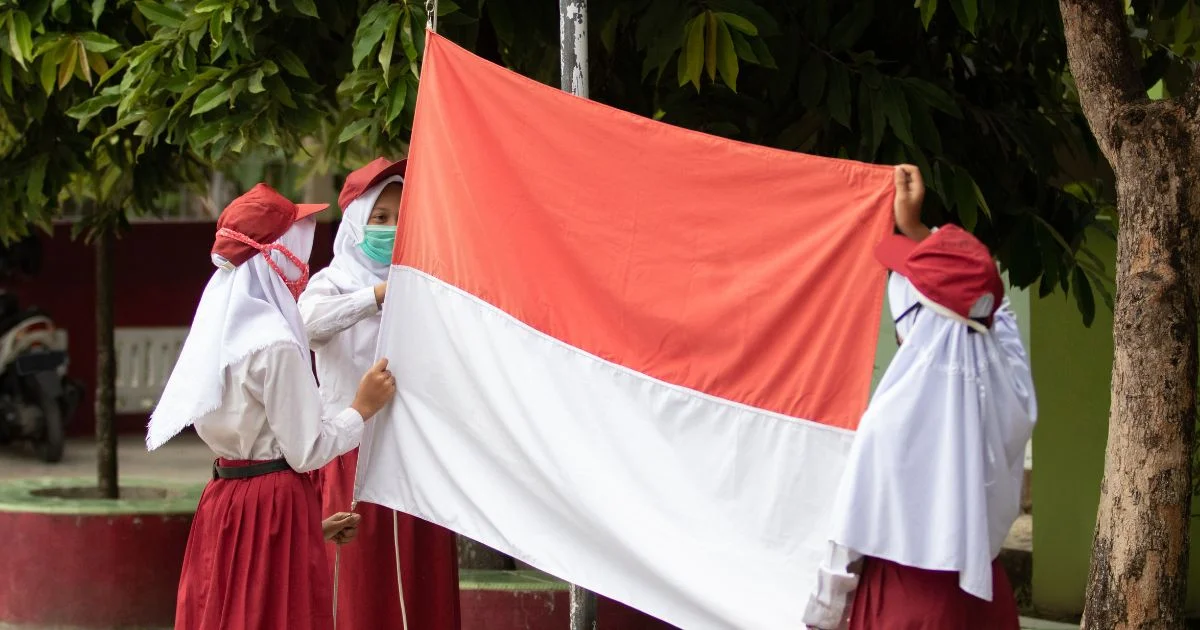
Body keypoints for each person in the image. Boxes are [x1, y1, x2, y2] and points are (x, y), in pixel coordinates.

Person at [146, 183, 397, 630]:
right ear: (277, 254)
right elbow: (306, 450)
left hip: (226, 500)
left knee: (227, 612)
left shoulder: (219, 335)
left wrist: (309, 531)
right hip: (274, 500)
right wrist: (362, 406)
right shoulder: (274, 343)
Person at [803, 165, 1037, 630]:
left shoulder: (891, 420)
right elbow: (990, 308)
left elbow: (846, 539)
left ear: (915, 324)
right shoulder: (1011, 392)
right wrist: (919, 231)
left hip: (904, 605)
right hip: (983, 604)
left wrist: (823, 614)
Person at [300, 157, 462, 630]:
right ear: (354, 225)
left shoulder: (428, 283)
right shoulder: (329, 285)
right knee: (355, 590)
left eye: (400, 218)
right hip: (350, 456)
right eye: (379, 218)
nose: (390, 229)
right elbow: (307, 326)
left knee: (419, 585)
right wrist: (377, 295)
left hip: (417, 459)